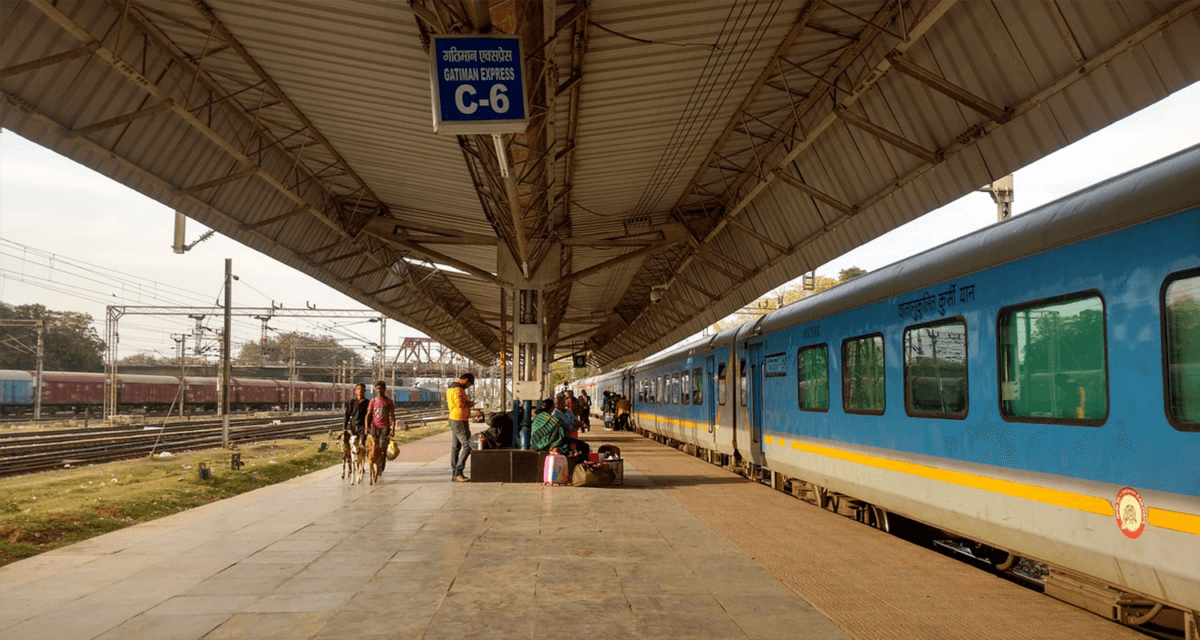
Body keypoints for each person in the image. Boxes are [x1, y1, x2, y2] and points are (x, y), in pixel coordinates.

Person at [446, 372, 475, 482]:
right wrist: (469, 404)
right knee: (468, 445)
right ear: (465, 380)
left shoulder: (450, 388)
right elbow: (460, 404)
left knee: (456, 447)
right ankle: (458, 472)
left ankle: (455, 473)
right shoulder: (458, 390)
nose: (468, 386)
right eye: (469, 384)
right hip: (459, 419)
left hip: (455, 418)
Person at [366, 381, 395, 471]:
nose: (379, 390)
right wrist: (366, 426)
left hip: (384, 428)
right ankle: (373, 463)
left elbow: (393, 416)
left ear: (385, 389)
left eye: (381, 388)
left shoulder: (389, 402)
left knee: (382, 448)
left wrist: (393, 429)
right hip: (374, 428)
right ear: (376, 390)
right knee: (373, 448)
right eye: (378, 389)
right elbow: (368, 415)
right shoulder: (373, 401)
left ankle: (380, 467)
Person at [343, 383, 369, 448]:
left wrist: (368, 427)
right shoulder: (352, 402)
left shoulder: (367, 403)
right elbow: (347, 415)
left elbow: (369, 416)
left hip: (363, 427)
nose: (360, 391)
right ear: (355, 391)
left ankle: (361, 458)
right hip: (353, 427)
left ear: (364, 391)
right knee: (353, 446)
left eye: (362, 389)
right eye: (358, 389)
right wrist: (344, 428)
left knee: (361, 445)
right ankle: (352, 458)